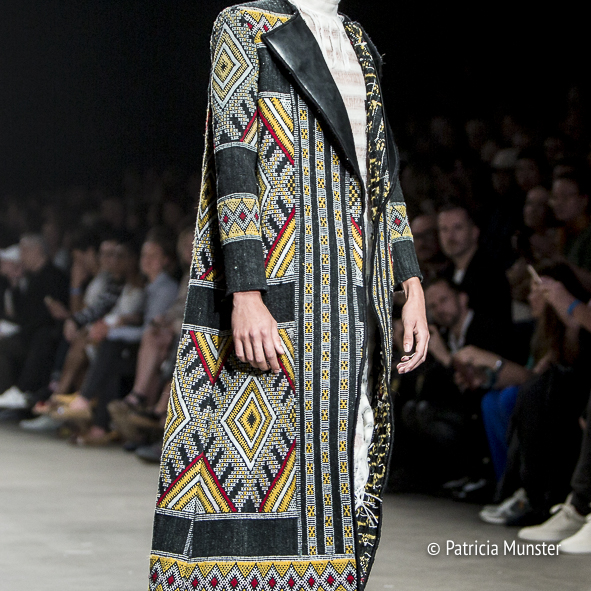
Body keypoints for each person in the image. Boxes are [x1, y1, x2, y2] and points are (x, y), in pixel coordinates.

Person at [149, 2, 428, 590]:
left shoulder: (358, 40)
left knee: (351, 459)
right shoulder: (244, 24)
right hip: (285, 290)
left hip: (358, 296)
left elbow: (385, 176)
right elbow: (233, 157)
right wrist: (246, 291)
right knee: (258, 468)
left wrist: (412, 284)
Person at [0, 234, 68, 408]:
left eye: (23, 251)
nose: (21, 257)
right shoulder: (30, 278)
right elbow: (21, 313)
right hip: (28, 333)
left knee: (18, 344)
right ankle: (7, 395)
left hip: (46, 336)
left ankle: (22, 393)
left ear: (36, 251)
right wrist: (14, 285)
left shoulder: (55, 277)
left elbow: (52, 315)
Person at [438, 204, 513, 328]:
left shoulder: (490, 273)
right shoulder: (444, 275)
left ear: (474, 232)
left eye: (458, 228)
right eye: (444, 229)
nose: (450, 236)